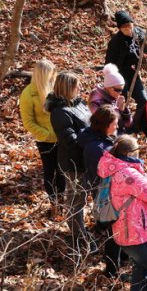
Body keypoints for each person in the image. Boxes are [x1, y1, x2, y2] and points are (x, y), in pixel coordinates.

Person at [97, 135, 147, 290]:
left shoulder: (113, 168)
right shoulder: (128, 174)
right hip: (138, 234)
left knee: (141, 271)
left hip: (125, 232)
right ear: (131, 153)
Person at [45, 71, 93, 252]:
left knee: (83, 199)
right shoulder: (59, 112)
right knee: (76, 202)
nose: (80, 88)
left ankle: (82, 232)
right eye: (76, 86)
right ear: (67, 88)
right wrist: (92, 137)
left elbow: (91, 123)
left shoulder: (79, 104)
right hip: (73, 163)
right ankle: (78, 239)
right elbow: (71, 141)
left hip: (86, 159)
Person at [77, 105, 127, 279]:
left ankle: (123, 258)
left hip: (113, 190)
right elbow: (105, 174)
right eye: (114, 124)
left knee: (119, 228)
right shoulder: (97, 148)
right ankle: (112, 270)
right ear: (104, 124)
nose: (116, 127)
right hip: (107, 193)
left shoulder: (102, 139)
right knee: (114, 231)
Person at [19, 59, 65, 216]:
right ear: (43, 74)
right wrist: (48, 135)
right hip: (45, 141)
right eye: (50, 74)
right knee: (50, 172)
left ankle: (63, 202)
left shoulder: (54, 88)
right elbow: (28, 123)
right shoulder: (28, 94)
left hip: (62, 138)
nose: (53, 77)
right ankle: (54, 204)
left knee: (62, 171)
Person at [88, 63, 133, 133]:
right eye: (118, 90)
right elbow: (110, 125)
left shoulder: (113, 97)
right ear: (108, 87)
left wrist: (123, 110)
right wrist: (119, 110)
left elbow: (128, 124)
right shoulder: (96, 101)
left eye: (122, 90)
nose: (120, 93)